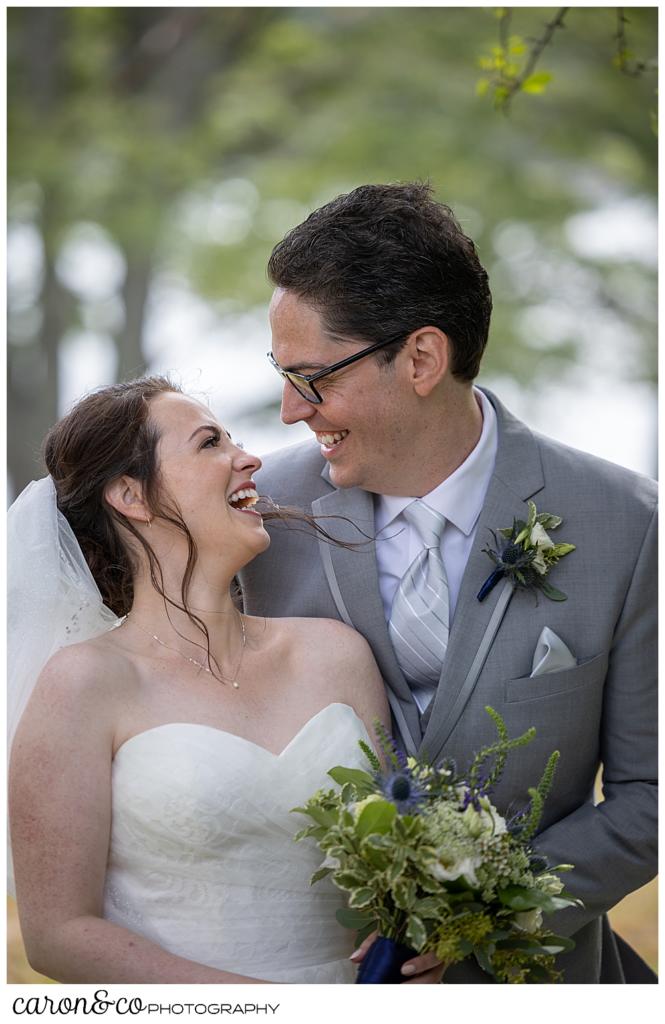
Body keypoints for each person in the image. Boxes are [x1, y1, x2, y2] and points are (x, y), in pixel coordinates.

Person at [239, 182, 658, 984]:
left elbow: (649, 796)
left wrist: (492, 912)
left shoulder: (626, 524)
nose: (291, 410)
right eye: (280, 373)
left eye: (313, 378)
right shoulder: (261, 521)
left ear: (422, 358)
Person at [8, 374, 427, 985]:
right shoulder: (84, 684)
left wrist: (423, 932)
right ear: (132, 496)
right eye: (209, 444)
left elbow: (394, 863)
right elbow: (58, 937)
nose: (249, 458)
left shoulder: (337, 656)